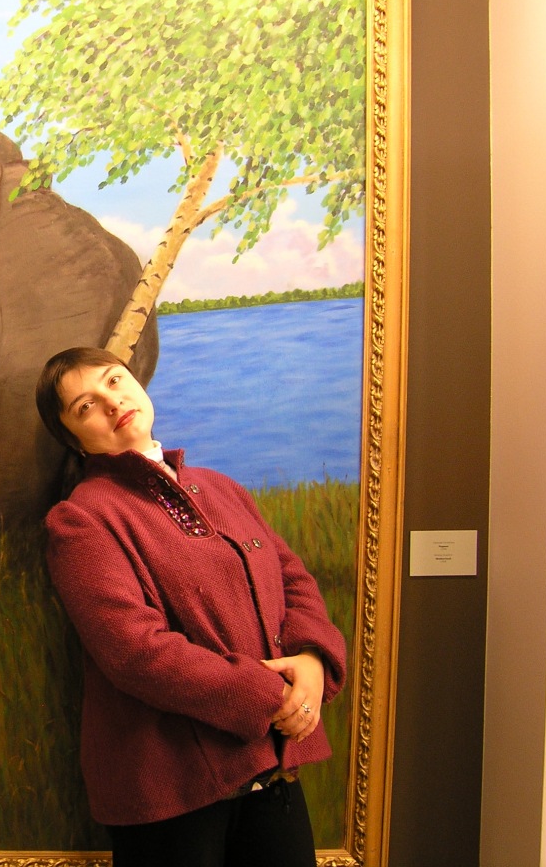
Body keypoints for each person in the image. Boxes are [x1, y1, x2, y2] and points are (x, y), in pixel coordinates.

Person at [34, 346, 347, 867]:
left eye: (114, 381)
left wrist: (313, 663)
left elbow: (293, 581)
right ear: (73, 439)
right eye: (85, 406)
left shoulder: (221, 488)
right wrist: (270, 695)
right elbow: (135, 652)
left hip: (271, 767)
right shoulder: (81, 519)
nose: (111, 402)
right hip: (170, 792)